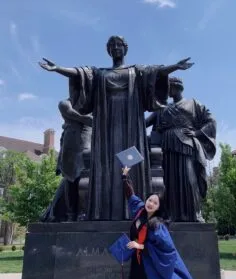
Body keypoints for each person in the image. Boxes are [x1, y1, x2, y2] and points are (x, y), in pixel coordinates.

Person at [39, 36, 194, 221]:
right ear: (108, 50)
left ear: (125, 48)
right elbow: (80, 73)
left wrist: (175, 66)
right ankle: (103, 210)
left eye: (119, 45)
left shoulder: (135, 71)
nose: (116, 48)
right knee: (107, 165)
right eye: (112, 45)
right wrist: (58, 69)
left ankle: (133, 210)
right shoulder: (99, 73)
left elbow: (156, 72)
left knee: (132, 164)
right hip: (106, 127)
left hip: (131, 126)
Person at [122, 166, 198, 279]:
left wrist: (140, 246)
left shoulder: (158, 225)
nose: (151, 203)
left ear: (158, 207)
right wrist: (124, 177)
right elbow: (130, 196)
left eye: (155, 203)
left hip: (149, 267)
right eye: (150, 200)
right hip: (137, 265)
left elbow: (167, 249)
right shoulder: (139, 211)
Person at [157, 77, 216, 222]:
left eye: (169, 87)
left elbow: (211, 121)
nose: (168, 91)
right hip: (168, 147)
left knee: (189, 179)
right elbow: (148, 124)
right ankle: (171, 214)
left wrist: (197, 133)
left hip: (186, 146)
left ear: (177, 87)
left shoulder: (193, 103)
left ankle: (194, 214)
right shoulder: (164, 108)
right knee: (170, 182)